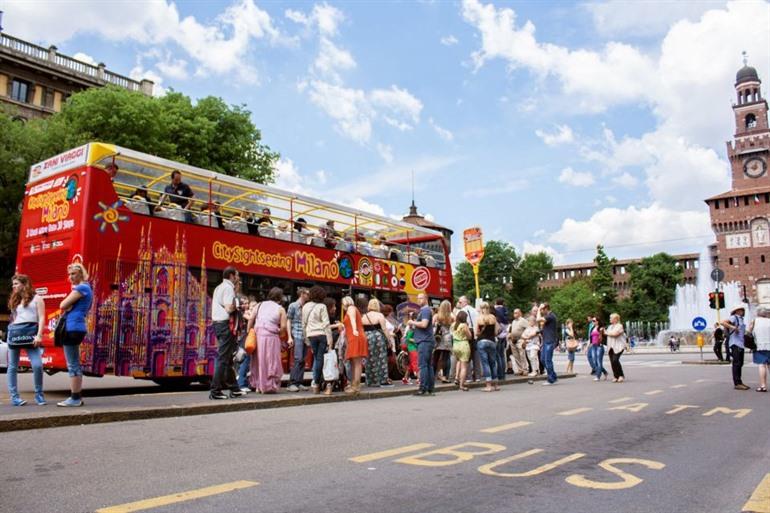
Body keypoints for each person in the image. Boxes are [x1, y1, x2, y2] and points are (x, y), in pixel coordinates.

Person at [6, 274, 46, 406]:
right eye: (13, 284)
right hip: (15, 334)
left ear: (24, 284)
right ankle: (14, 397)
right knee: (12, 366)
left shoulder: (37, 298)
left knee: (37, 365)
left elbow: (41, 318)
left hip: (31, 334)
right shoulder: (15, 300)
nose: (14, 286)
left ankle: (39, 394)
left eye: (16, 283)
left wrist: (39, 335)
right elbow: (14, 318)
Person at [57, 263, 93, 407]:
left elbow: (63, 305)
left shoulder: (81, 288)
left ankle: (75, 398)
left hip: (72, 327)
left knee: (72, 364)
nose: (70, 277)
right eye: (69, 274)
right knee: (73, 363)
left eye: (74, 274)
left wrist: (67, 304)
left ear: (81, 274)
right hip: (77, 326)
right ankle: (75, 397)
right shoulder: (86, 288)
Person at [209, 266, 245, 400]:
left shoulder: (219, 287)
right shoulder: (228, 288)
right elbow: (229, 308)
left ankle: (234, 389)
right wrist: (239, 305)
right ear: (231, 276)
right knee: (223, 359)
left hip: (217, 324)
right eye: (237, 275)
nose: (238, 278)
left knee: (228, 358)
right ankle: (215, 391)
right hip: (225, 325)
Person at [248, 287, 288, 394]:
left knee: (258, 361)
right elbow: (283, 327)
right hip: (271, 337)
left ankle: (258, 385)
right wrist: (278, 331)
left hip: (258, 336)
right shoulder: (281, 309)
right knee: (270, 361)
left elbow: (251, 319)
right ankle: (268, 385)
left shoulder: (259, 304)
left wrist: (249, 332)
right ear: (280, 298)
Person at [302, 286, 333, 394]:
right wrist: (330, 340)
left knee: (316, 358)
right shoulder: (322, 306)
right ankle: (320, 383)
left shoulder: (305, 306)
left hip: (311, 335)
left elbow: (303, 324)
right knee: (321, 359)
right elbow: (326, 324)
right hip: (321, 334)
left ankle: (316, 385)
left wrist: (306, 339)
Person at [361, 298, 395, 389]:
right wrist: (389, 340)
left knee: (369, 359)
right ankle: (382, 380)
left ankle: (371, 381)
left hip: (367, 338)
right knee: (381, 359)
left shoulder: (364, 316)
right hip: (378, 338)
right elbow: (384, 329)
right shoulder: (380, 315)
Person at [408, 293, 435, 396]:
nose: (419, 300)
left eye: (421, 298)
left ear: (426, 299)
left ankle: (423, 388)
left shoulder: (425, 310)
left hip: (424, 341)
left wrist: (412, 322)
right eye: (418, 298)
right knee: (428, 365)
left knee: (423, 365)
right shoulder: (425, 310)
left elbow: (424, 324)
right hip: (426, 340)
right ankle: (430, 388)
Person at [287, 288, 310, 392]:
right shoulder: (293, 306)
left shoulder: (306, 306)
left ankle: (299, 382)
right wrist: (289, 336)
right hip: (296, 334)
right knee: (298, 358)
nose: (309, 296)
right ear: (302, 294)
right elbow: (289, 321)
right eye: (307, 294)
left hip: (305, 335)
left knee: (302, 360)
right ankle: (292, 383)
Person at [341, 296, 365, 394]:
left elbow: (352, 320)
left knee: (356, 362)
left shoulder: (351, 308)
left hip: (355, 336)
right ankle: (354, 384)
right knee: (354, 362)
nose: (342, 305)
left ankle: (356, 386)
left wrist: (355, 330)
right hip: (353, 337)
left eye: (343, 303)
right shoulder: (352, 309)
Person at [722, 305, 749, 390]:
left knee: (740, 363)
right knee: (736, 363)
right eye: (741, 310)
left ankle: (739, 382)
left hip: (740, 344)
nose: (743, 311)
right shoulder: (734, 317)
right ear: (737, 311)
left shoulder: (741, 319)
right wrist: (733, 327)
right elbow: (723, 322)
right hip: (735, 344)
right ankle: (737, 383)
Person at [475, 302, 500, 392]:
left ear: (481, 308)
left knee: (485, 363)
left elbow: (476, 333)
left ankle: (488, 385)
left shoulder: (479, 318)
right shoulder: (493, 317)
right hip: (492, 341)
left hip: (482, 341)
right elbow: (497, 331)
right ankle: (496, 385)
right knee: (493, 363)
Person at [456, 296, 481, 381]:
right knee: (476, 355)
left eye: (460, 302)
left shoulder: (461, 311)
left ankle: (469, 377)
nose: (459, 304)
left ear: (465, 302)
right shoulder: (475, 310)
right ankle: (477, 377)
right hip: (475, 333)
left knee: (466, 356)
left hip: (466, 332)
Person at [748, 307, 770, 392]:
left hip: (759, 346)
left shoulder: (754, 321)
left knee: (762, 365)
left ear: (758, 313)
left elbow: (749, 333)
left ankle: (763, 386)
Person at [432, 300, 454, 383]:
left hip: (438, 338)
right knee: (446, 358)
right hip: (447, 338)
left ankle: (433, 375)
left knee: (435, 357)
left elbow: (431, 326)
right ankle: (445, 376)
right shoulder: (451, 316)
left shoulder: (437, 316)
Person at [537, 303, 558, 385]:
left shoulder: (551, 316)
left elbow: (538, 319)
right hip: (546, 340)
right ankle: (553, 376)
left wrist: (538, 309)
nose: (541, 311)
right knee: (542, 359)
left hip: (550, 341)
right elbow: (546, 329)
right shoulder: (549, 317)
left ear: (546, 309)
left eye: (542, 309)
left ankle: (550, 379)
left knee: (547, 360)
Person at [452, 310, 472, 391]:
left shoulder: (454, 325)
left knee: (458, 361)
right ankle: (461, 385)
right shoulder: (464, 325)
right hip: (463, 344)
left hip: (455, 345)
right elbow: (469, 336)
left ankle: (456, 378)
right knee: (464, 366)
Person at [606, 313, 628, 383]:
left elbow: (615, 334)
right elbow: (608, 334)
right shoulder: (609, 327)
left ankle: (621, 375)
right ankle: (616, 376)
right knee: (612, 361)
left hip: (619, 346)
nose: (610, 319)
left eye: (611, 318)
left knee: (615, 360)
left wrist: (606, 333)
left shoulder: (620, 326)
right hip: (611, 346)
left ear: (615, 319)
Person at [508, 308, 529, 375]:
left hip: (520, 339)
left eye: (516, 313)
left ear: (520, 313)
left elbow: (528, 329)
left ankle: (525, 369)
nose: (515, 314)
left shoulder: (523, 320)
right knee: (516, 356)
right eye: (514, 313)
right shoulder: (513, 321)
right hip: (513, 340)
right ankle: (520, 369)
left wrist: (525, 340)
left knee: (522, 355)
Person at [493, 298, 509, 381]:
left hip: (498, 335)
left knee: (498, 355)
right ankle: (503, 374)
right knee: (502, 355)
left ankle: (499, 374)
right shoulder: (505, 310)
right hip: (504, 335)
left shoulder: (497, 310)